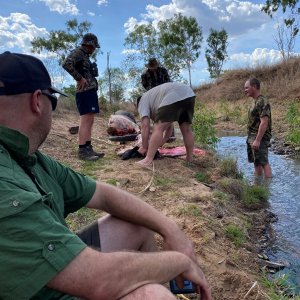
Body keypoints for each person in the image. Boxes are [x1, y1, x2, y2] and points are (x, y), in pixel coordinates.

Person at [0, 52, 211, 300]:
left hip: (52, 271)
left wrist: (171, 229)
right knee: (152, 295)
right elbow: (99, 280)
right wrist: (180, 262)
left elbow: (104, 194)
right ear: (37, 101)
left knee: (137, 223)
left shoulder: (29, 157)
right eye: (53, 101)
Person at [63, 33, 104, 161]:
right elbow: (66, 64)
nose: (93, 50)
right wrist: (79, 78)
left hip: (90, 91)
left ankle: (88, 148)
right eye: (93, 47)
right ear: (89, 44)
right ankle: (82, 151)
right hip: (84, 92)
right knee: (85, 121)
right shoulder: (78, 52)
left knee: (90, 120)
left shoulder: (85, 56)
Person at [136, 82, 196, 169]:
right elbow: (170, 127)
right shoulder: (154, 98)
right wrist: (162, 142)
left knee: (158, 127)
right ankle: (189, 158)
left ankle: (147, 160)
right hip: (189, 94)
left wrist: (144, 147)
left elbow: (145, 125)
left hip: (174, 95)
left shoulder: (142, 102)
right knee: (186, 129)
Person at [244, 78, 272, 178]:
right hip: (252, 136)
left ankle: (268, 187)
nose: (245, 90)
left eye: (247, 87)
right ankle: (258, 186)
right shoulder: (254, 101)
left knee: (264, 162)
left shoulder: (262, 101)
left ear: (254, 87)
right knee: (256, 162)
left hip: (259, 137)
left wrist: (258, 140)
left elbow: (264, 122)